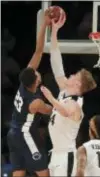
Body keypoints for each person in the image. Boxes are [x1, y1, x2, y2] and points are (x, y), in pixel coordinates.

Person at [40, 13, 97, 176]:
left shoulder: (76, 104)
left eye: (74, 76)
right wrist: (55, 31)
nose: (70, 76)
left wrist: (50, 98)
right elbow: (56, 62)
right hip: (57, 153)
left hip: (66, 155)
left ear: (78, 84)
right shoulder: (65, 92)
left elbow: (65, 111)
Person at [7, 10, 53, 177]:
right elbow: (51, 110)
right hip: (25, 136)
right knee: (44, 173)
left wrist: (44, 25)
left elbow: (38, 51)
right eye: (37, 74)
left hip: (12, 133)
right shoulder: (35, 103)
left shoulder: (24, 81)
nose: (38, 72)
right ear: (36, 81)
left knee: (18, 172)